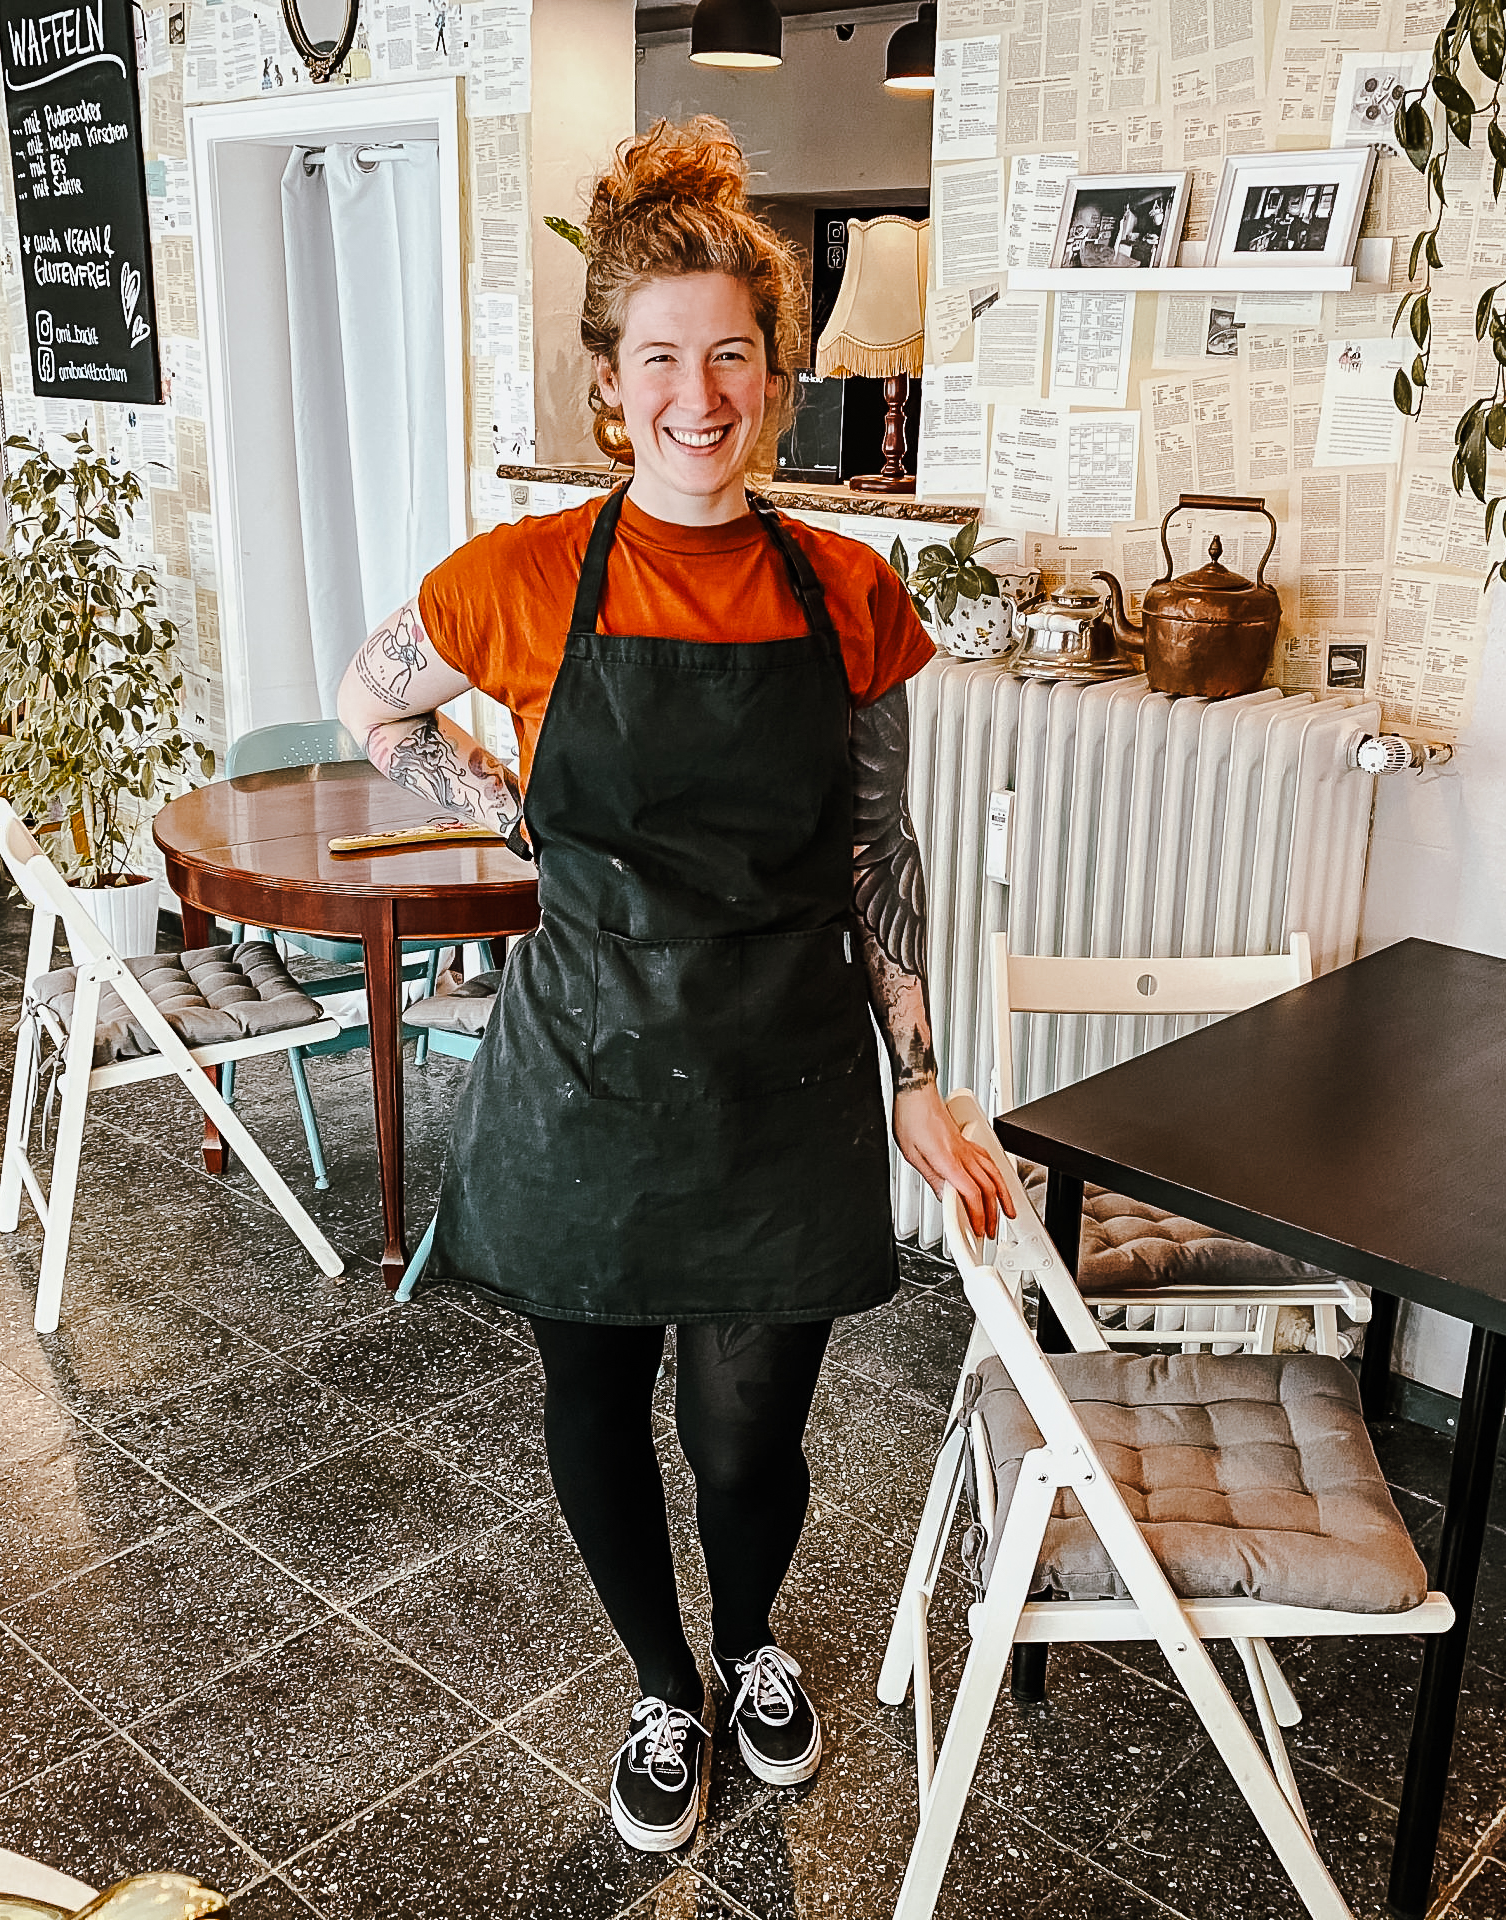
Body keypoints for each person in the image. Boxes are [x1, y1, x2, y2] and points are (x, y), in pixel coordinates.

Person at [337, 116, 1011, 1854]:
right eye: (661, 360)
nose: (698, 395)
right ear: (610, 383)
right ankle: (660, 1679)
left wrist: (920, 1077)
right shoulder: (523, 575)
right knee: (595, 1396)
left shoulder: (852, 592)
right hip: (582, 1071)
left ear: (774, 375)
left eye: (731, 356)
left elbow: (881, 853)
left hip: (786, 1065)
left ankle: (755, 1640)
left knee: (747, 1435)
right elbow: (372, 709)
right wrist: (525, 835)